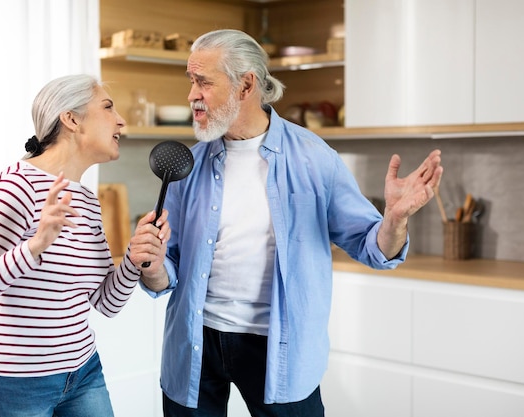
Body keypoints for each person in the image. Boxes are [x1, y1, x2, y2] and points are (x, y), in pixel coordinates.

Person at [140, 29, 443, 417]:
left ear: (246, 84)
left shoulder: (315, 158)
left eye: (203, 82)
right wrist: (150, 266)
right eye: (191, 81)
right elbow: (169, 268)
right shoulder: (190, 164)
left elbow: (373, 247)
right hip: (196, 341)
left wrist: (395, 219)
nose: (191, 95)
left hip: (279, 346)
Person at [0, 74, 170, 417]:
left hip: (82, 372)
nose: (121, 121)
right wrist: (33, 248)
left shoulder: (85, 199)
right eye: (108, 107)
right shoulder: (14, 187)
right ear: (71, 119)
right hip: (14, 382)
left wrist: (133, 258)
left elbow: (105, 303)